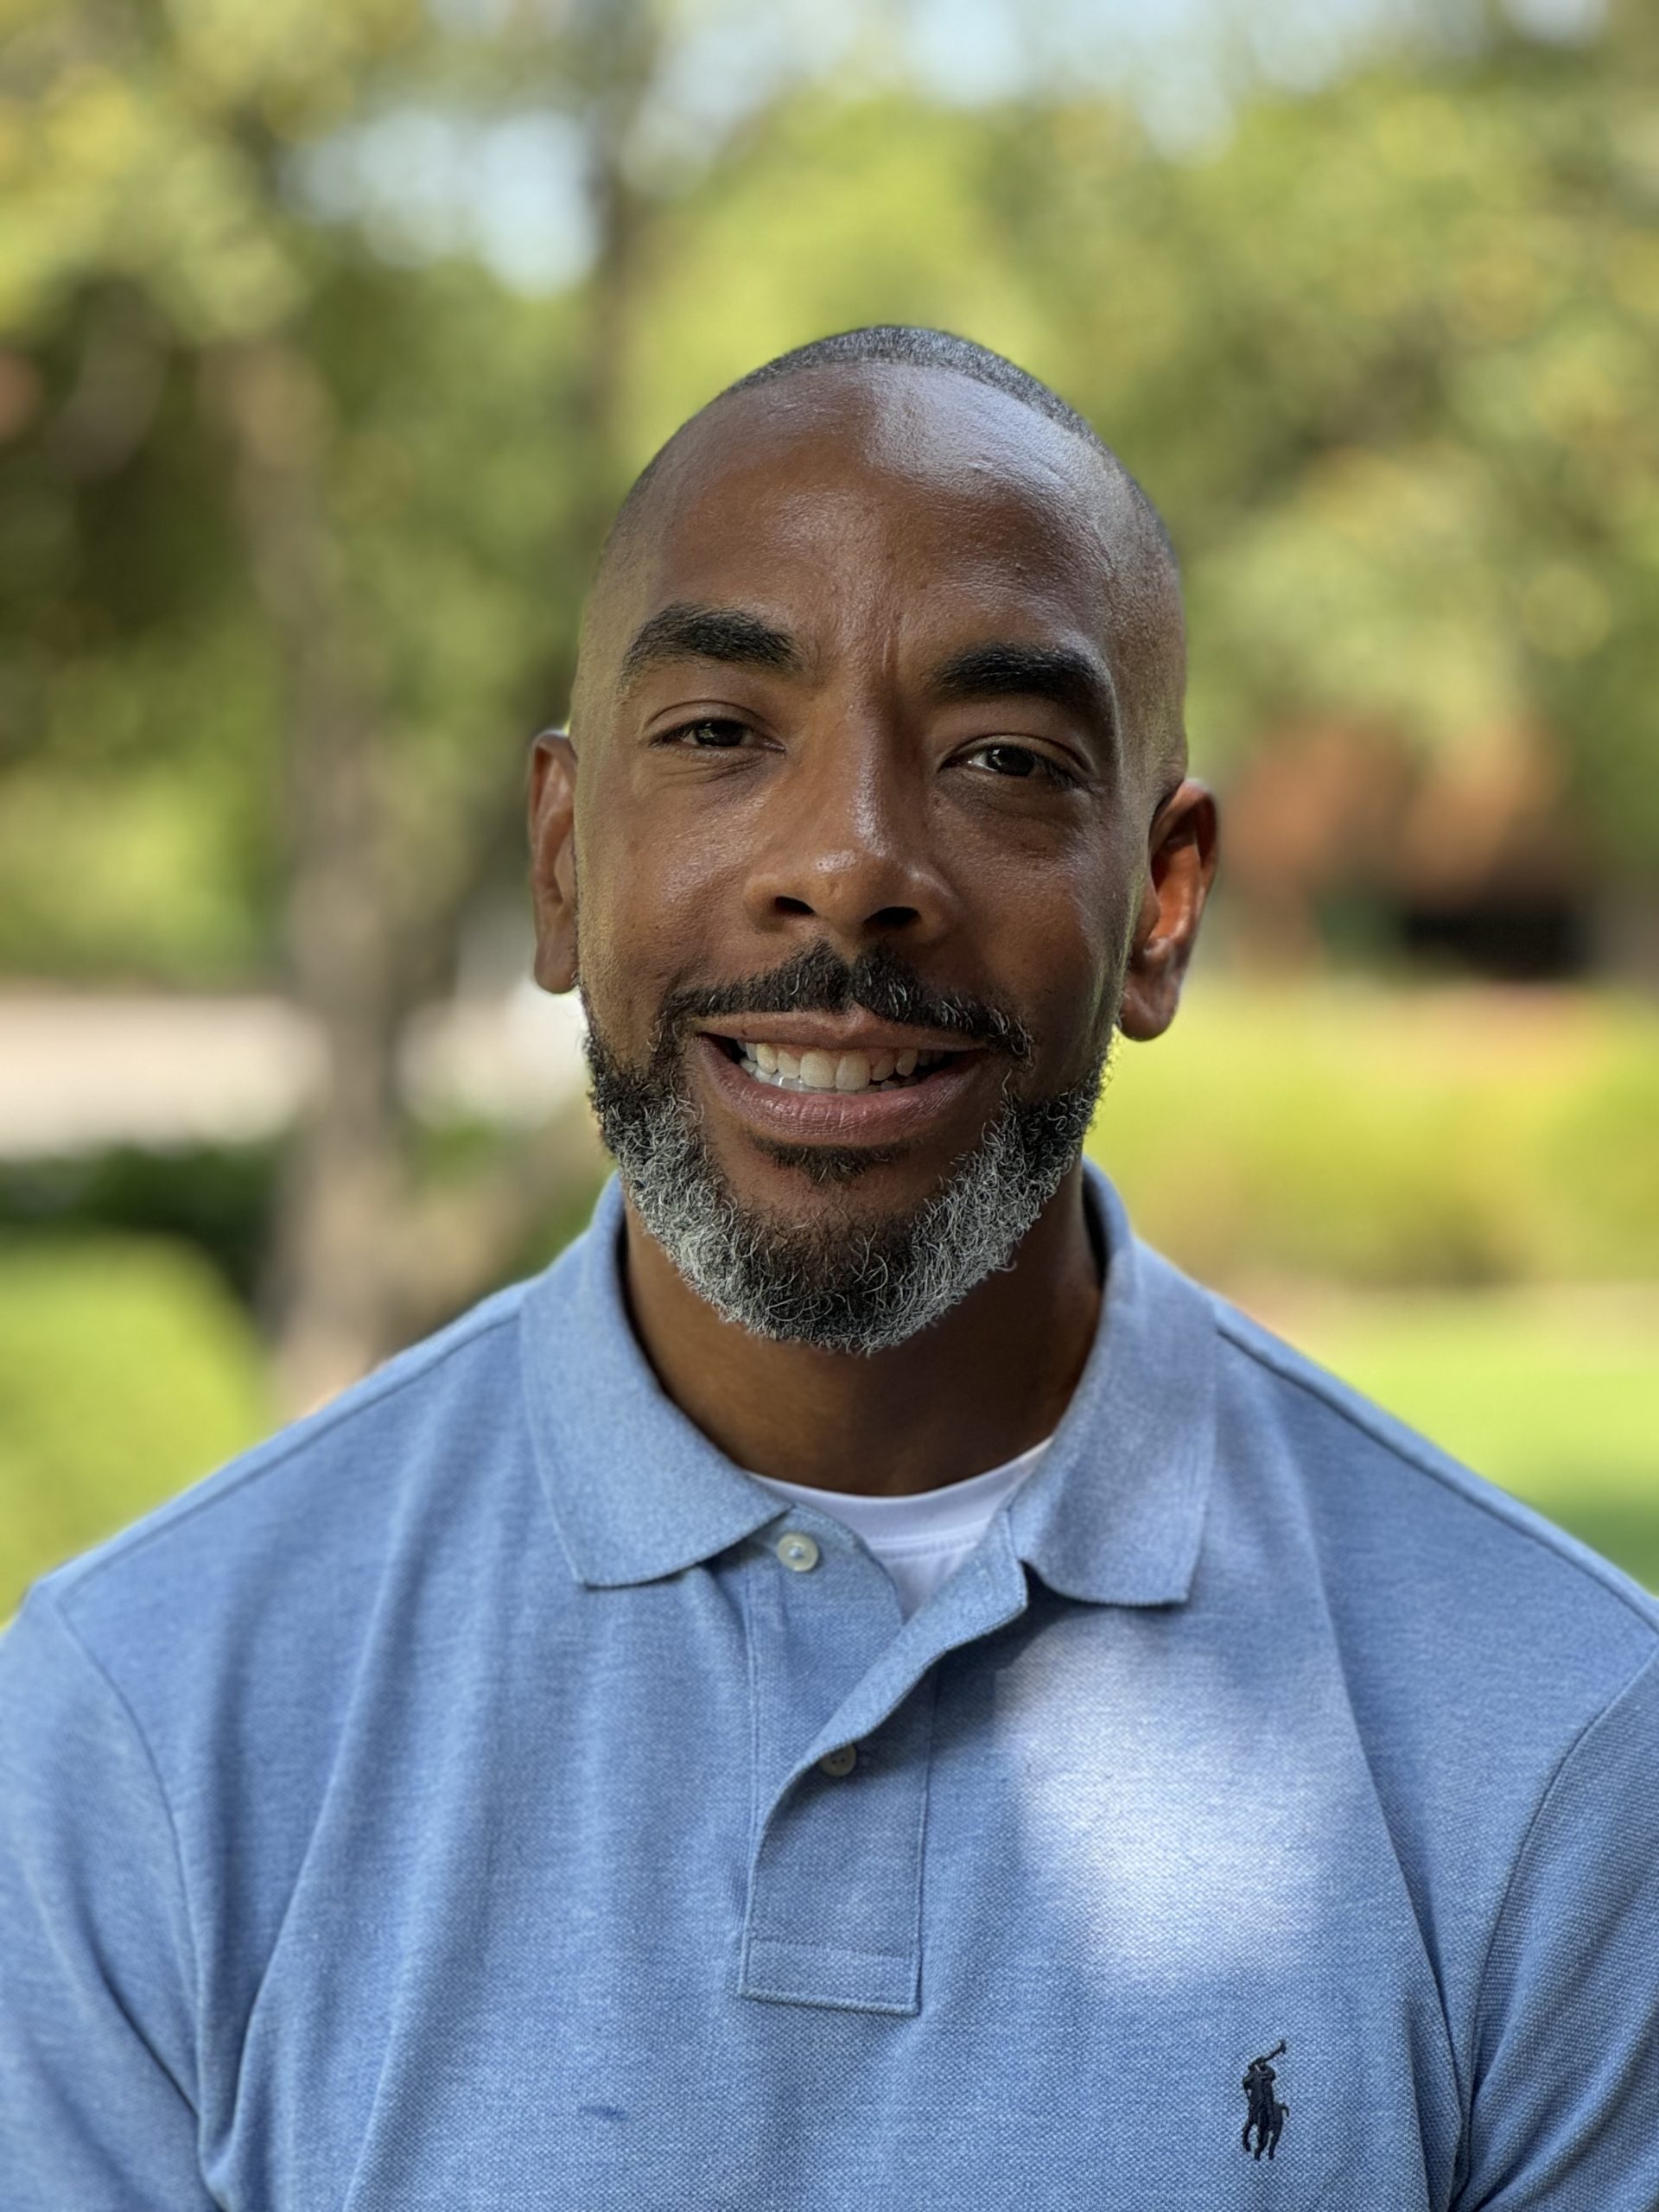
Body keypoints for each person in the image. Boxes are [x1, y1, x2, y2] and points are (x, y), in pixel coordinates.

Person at [1, 326, 1655, 2209]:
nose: (853, 859)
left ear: (1163, 905)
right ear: (562, 864)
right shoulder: (151, 1714)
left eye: (1004, 757)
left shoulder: (1561, 1740)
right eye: (718, 732)